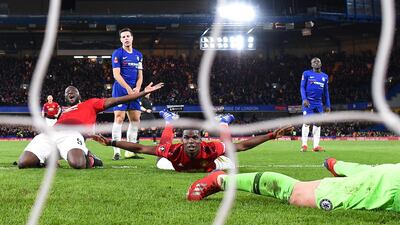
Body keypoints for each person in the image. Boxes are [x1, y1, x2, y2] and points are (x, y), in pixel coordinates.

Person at [17, 82, 163, 169]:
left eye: (72, 91)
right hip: (51, 134)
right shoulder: (65, 111)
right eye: (67, 92)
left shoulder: (91, 103)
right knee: (23, 163)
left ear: (79, 95)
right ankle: (50, 159)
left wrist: (142, 93)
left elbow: (117, 100)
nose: (69, 93)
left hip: (72, 134)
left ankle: (89, 157)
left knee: (78, 164)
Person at [92, 110, 293, 172]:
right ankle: (170, 122)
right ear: (182, 139)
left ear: (201, 139)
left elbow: (241, 145)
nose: (190, 141)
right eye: (186, 137)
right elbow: (141, 147)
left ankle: (223, 123)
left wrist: (270, 135)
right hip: (178, 164)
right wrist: (110, 143)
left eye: (194, 137)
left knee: (230, 155)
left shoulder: (210, 147)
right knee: (160, 158)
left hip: (211, 164)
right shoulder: (174, 152)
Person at [187, 157, 400, 213]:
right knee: (298, 193)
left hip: (389, 177)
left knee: (379, 172)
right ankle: (220, 180)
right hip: (388, 187)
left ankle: (339, 166)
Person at [111, 27, 144, 160]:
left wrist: (137, 88)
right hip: (120, 90)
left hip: (134, 91)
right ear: (121, 40)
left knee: (135, 120)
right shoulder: (117, 53)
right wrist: (128, 88)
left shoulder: (138, 55)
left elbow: (140, 75)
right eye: (123, 37)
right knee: (119, 118)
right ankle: (116, 151)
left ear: (132, 38)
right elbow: (116, 74)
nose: (126, 38)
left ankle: (130, 150)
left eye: (127, 36)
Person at [300, 57, 331, 152]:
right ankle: (304, 145)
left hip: (319, 104)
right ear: (311, 64)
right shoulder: (306, 73)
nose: (316, 63)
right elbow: (302, 87)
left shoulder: (325, 76)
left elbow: (326, 92)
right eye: (314, 62)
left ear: (321, 64)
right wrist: (304, 99)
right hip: (308, 102)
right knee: (307, 122)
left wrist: (328, 105)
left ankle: (316, 146)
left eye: (318, 61)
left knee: (318, 123)